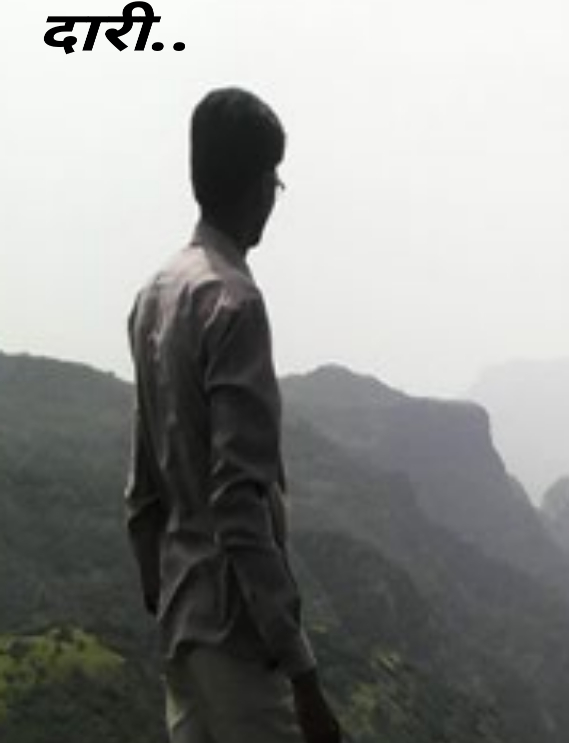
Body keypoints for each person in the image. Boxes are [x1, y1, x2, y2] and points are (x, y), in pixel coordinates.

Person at [125, 88, 342, 743]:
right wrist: (303, 673)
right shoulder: (234, 303)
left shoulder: (154, 294)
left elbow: (142, 486)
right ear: (258, 187)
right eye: (274, 179)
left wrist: (161, 588)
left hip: (181, 629)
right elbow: (238, 502)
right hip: (236, 635)